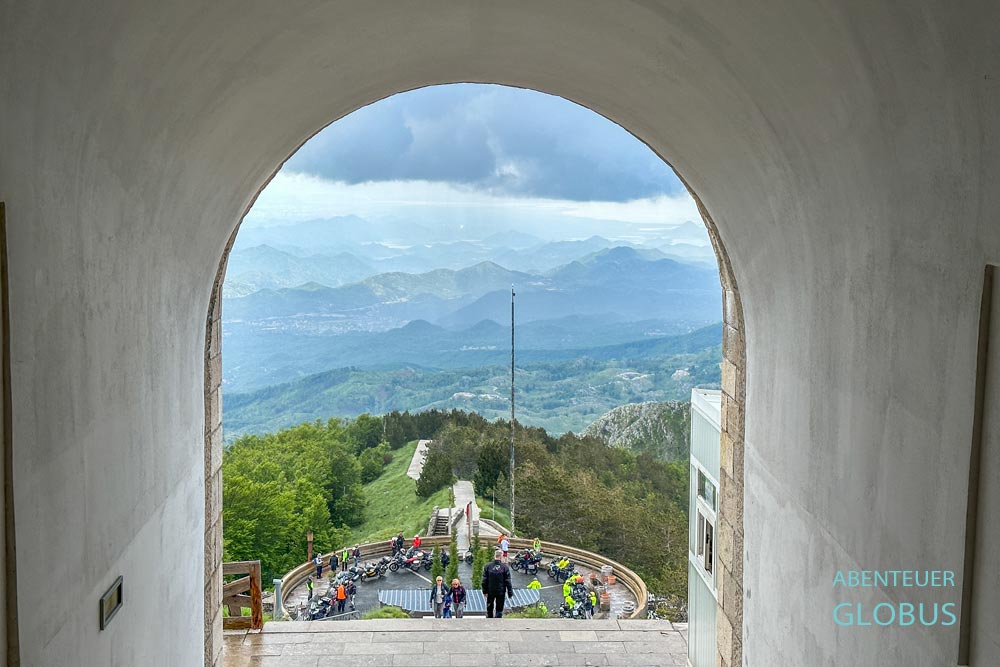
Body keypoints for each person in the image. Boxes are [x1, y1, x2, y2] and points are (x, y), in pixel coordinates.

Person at [481, 549, 513, 618]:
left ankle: (489, 620)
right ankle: (498, 622)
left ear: (494, 556)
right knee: (499, 608)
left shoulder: (487, 566)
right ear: (501, 557)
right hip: (501, 591)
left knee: (489, 607)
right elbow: (508, 581)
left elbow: (484, 580)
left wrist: (484, 591)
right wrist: (510, 593)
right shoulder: (505, 567)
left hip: (490, 591)